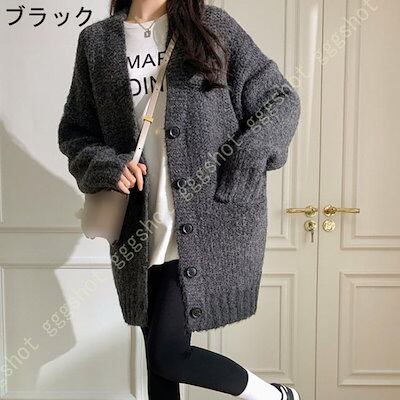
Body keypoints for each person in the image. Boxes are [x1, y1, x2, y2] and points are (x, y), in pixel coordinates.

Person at [58, 0, 301, 399]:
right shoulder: (97, 42)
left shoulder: (211, 27)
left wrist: (246, 160)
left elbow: (279, 100)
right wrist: (108, 165)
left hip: (207, 222)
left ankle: (273, 396)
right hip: (138, 227)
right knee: (159, 367)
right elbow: (76, 131)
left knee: (167, 354)